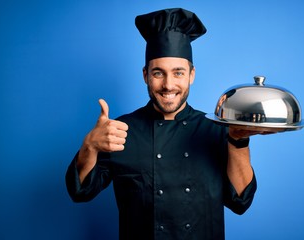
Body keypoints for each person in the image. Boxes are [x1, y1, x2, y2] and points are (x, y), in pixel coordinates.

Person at [66, 8, 259, 240]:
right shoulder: (119, 131)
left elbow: (240, 201)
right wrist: (90, 146)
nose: (168, 85)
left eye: (178, 73)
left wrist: (238, 139)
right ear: (145, 75)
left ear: (191, 75)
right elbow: (81, 191)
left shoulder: (215, 129)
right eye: (158, 73)